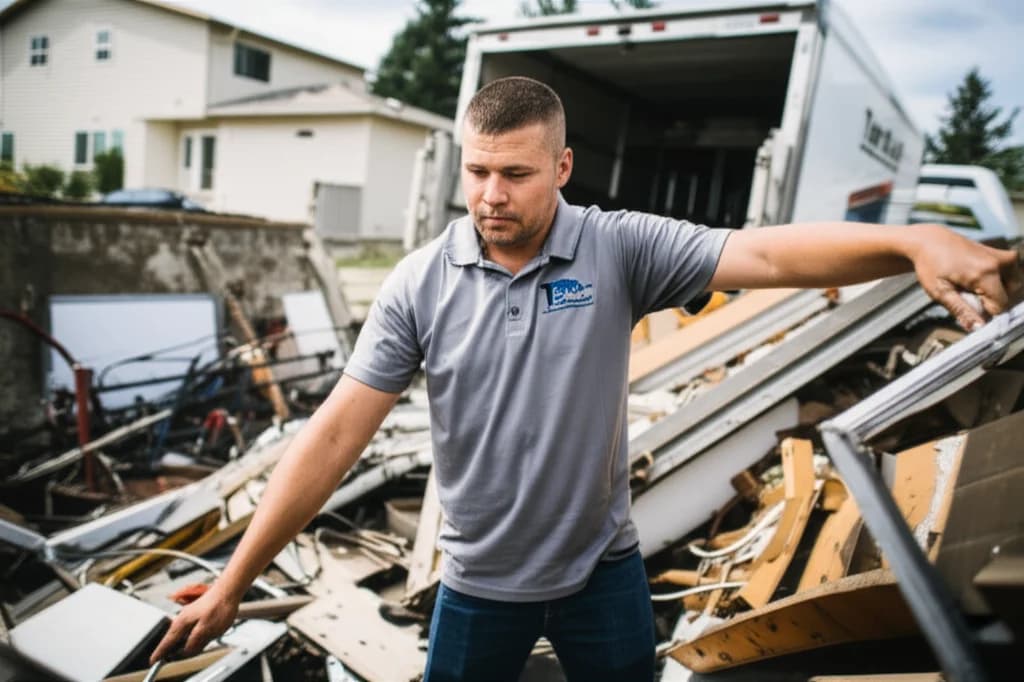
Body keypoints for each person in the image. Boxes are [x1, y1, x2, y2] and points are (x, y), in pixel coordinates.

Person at [151, 77, 1021, 680]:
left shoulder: (618, 249)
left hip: (602, 573)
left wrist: (911, 242)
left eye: (517, 174)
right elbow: (337, 431)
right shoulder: (421, 281)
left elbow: (759, 250)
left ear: (562, 169)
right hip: (476, 586)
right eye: (478, 171)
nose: (492, 195)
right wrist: (233, 582)